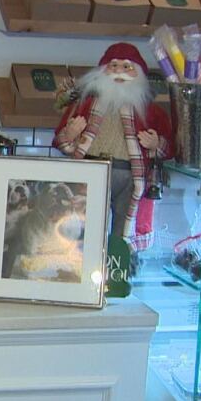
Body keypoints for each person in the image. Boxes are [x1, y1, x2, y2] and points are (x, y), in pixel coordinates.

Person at [52, 42, 173, 251]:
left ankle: (120, 266)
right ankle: (81, 263)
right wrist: (70, 134)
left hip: (130, 177)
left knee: (124, 227)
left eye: (127, 67)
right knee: (86, 224)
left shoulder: (151, 112)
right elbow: (61, 142)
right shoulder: (85, 105)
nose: (119, 72)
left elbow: (169, 147)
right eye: (114, 65)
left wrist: (156, 144)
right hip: (91, 173)